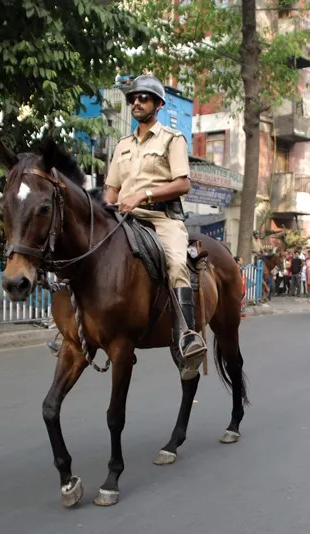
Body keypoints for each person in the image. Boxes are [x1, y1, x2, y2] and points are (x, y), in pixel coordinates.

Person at [104, 74, 207, 379]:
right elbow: (111, 187)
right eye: (133, 98)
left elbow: (182, 184)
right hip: (123, 218)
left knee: (176, 264)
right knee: (89, 251)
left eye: (143, 98)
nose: (136, 102)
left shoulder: (172, 139)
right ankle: (74, 328)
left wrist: (141, 195)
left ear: (158, 104)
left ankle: (187, 337)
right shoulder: (122, 145)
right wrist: (108, 204)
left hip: (161, 218)